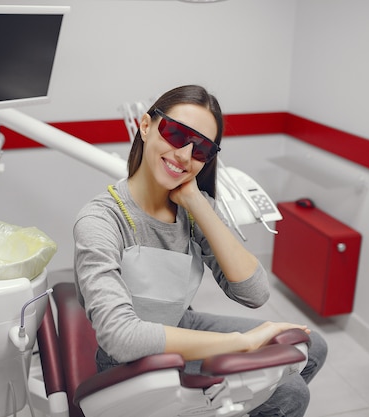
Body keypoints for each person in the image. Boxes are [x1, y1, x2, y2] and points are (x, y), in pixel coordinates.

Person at [73, 85, 327, 417]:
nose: (183, 154)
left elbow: (255, 293)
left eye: (201, 150)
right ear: (146, 126)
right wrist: (242, 343)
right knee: (291, 393)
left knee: (311, 345)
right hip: (130, 360)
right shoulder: (101, 220)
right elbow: (121, 338)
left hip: (180, 323)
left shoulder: (194, 211)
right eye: (176, 133)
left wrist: (196, 203)